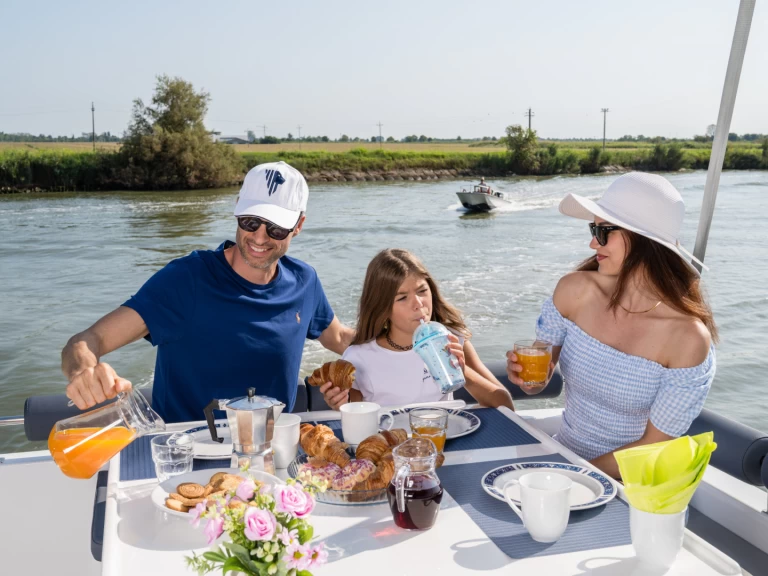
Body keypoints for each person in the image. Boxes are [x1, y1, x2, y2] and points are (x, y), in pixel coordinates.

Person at [62, 161, 354, 422]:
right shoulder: (186, 279)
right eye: (250, 221)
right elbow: (87, 341)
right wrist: (83, 372)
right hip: (188, 454)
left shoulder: (304, 281)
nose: (260, 237)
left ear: (299, 225)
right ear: (237, 208)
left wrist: (397, 336)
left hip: (270, 452)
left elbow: (340, 338)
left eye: (277, 229)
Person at [506, 172, 716, 479]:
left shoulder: (687, 337)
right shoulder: (573, 290)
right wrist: (528, 381)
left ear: (644, 240)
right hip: (565, 459)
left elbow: (652, 447)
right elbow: (539, 374)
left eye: (603, 231)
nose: (592, 242)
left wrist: (568, 475)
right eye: (594, 229)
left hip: (634, 484)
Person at [321, 248, 514, 410]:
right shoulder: (359, 358)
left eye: (422, 291)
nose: (418, 304)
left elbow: (505, 405)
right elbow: (355, 414)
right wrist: (341, 404)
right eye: (402, 297)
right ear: (382, 307)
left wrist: (463, 371)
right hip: (391, 450)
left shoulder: (451, 340)